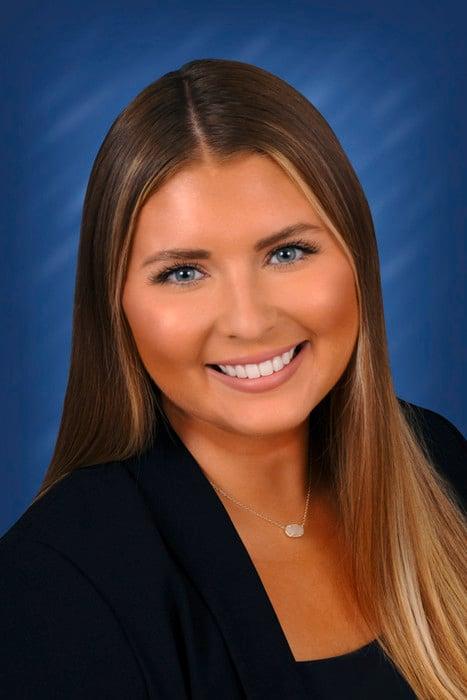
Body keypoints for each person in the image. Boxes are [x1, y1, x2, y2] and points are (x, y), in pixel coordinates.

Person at [0, 58, 465, 700]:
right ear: (116, 309)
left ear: (357, 257)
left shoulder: (439, 462)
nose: (249, 322)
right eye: (184, 272)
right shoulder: (56, 583)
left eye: (287, 252)